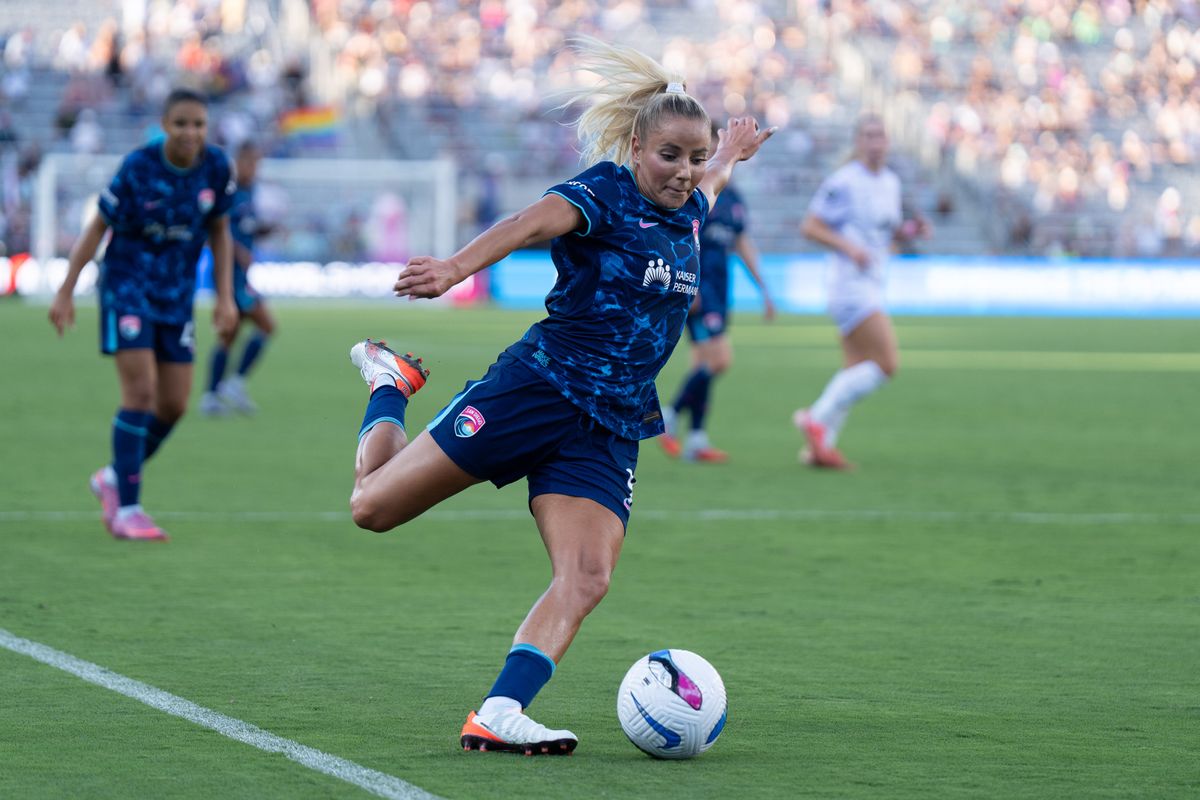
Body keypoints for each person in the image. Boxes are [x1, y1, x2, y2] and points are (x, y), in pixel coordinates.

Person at [345, 37, 773, 755]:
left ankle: (499, 712)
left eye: (694, 158)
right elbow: (525, 225)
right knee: (371, 508)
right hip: (538, 387)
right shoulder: (603, 191)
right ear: (636, 147)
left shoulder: (694, 205)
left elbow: (715, 182)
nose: (684, 171)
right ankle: (391, 384)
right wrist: (453, 267)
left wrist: (728, 152)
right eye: (670, 154)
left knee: (587, 576)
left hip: (611, 423)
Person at [49, 88, 237, 540]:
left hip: (176, 296)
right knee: (140, 392)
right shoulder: (138, 167)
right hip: (127, 287)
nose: (191, 132)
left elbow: (220, 232)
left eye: (198, 124)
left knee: (173, 405)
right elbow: (98, 227)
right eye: (181, 123)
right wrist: (67, 289)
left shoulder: (215, 167)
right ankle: (128, 509)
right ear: (164, 124)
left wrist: (225, 297)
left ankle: (113, 478)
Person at [794, 114, 929, 469]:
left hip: (871, 282)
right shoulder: (845, 181)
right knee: (886, 364)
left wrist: (913, 230)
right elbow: (810, 226)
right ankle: (816, 419)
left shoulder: (891, 183)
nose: (875, 142)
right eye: (868, 135)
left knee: (855, 368)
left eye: (880, 135)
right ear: (858, 142)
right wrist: (848, 246)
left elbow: (888, 234)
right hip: (850, 285)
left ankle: (820, 450)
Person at [659, 122, 775, 463]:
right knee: (719, 360)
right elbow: (678, 240)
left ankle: (696, 439)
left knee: (703, 366)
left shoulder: (734, 198)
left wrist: (764, 290)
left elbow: (741, 243)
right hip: (699, 291)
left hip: (721, 292)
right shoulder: (695, 195)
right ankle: (668, 414)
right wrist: (687, 286)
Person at [200, 140, 277, 416]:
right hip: (228, 274)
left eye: (258, 163)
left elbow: (244, 226)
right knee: (266, 325)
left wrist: (264, 230)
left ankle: (212, 394)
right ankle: (233, 383)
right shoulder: (228, 190)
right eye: (252, 162)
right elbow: (215, 230)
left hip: (240, 274)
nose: (255, 168)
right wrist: (239, 251)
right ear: (240, 161)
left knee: (228, 335)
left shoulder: (249, 190)